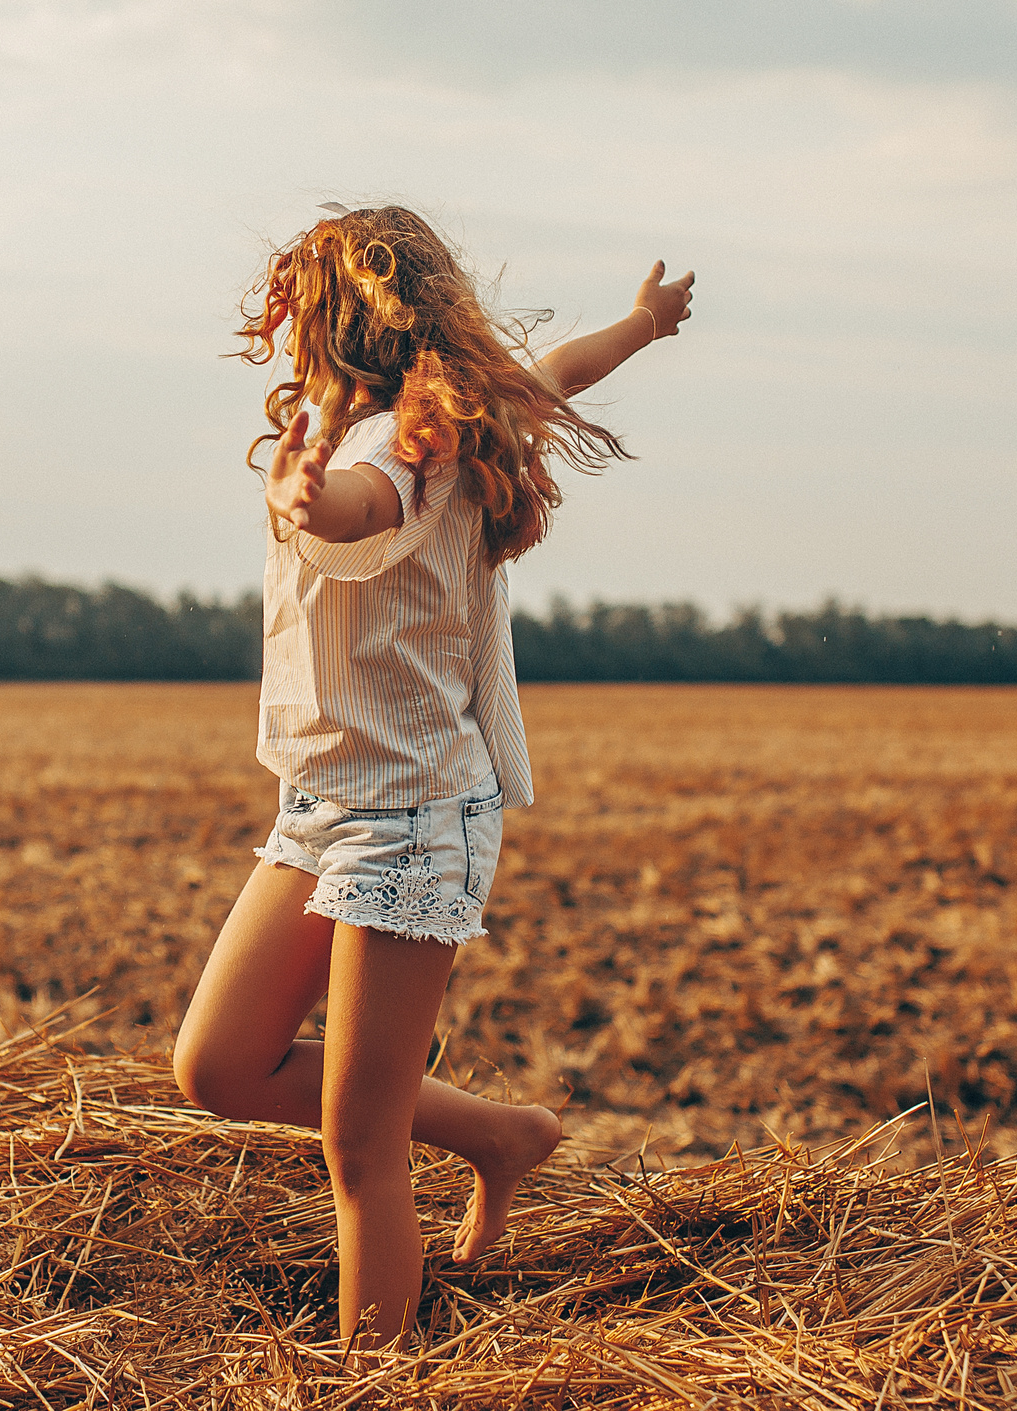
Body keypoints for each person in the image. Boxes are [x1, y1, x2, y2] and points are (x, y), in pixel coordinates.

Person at [171, 203, 695, 1347]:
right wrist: (642, 324)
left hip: (410, 818)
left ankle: (377, 1370)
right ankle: (497, 1135)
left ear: (331, 320)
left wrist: (313, 500)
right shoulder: (454, 414)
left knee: (361, 1150)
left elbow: (367, 509)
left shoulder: (397, 449)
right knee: (214, 1065)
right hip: (320, 807)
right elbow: (557, 368)